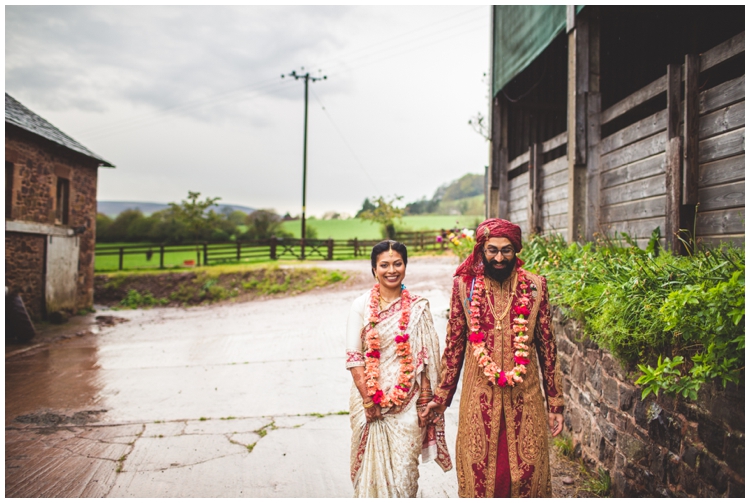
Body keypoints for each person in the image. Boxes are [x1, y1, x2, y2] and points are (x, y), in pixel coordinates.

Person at [421, 219, 564, 498]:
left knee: (528, 473)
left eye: (507, 250)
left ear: (516, 250)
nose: (499, 258)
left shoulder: (535, 287)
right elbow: (454, 346)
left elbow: (548, 348)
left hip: (525, 397)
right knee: (479, 473)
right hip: (479, 397)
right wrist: (441, 397)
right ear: (481, 250)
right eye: (492, 250)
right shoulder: (465, 287)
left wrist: (555, 404)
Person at [346, 240, 452, 497]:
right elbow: (354, 357)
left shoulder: (418, 308)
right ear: (374, 269)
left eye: (397, 263)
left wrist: (426, 402)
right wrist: (369, 401)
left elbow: (427, 362)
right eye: (384, 265)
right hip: (369, 403)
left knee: (405, 477)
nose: (391, 270)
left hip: (408, 405)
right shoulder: (360, 306)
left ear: (405, 266)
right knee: (367, 476)